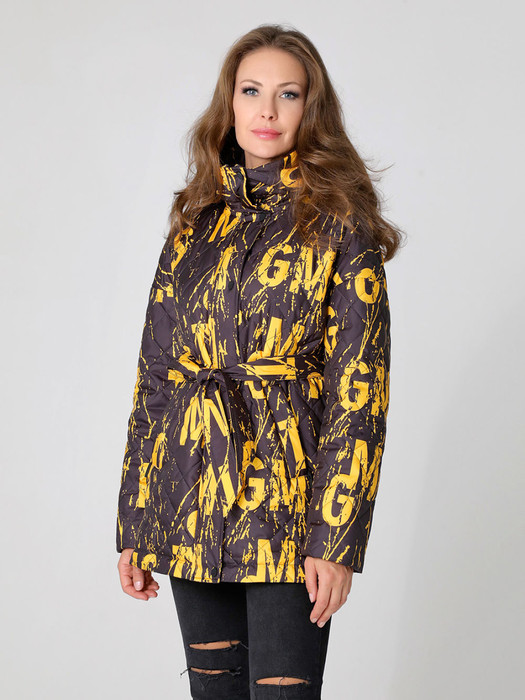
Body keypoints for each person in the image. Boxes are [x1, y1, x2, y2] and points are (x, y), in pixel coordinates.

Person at [115, 23, 403, 700]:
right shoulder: (194, 225)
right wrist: (137, 521)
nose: (267, 110)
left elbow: (359, 392)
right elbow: (156, 379)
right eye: (251, 91)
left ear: (311, 109)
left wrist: (336, 539)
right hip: (189, 499)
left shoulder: (340, 224)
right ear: (230, 103)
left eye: (288, 94)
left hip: (288, 512)